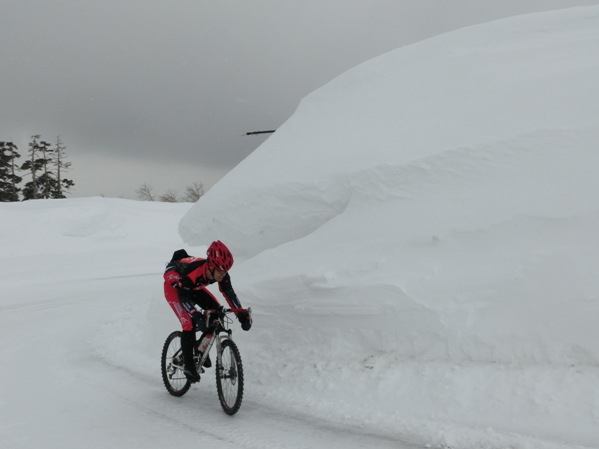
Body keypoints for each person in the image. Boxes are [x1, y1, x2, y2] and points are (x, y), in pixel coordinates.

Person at [163, 240, 252, 382]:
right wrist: (196, 314)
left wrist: (240, 313)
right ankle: (189, 366)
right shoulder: (192, 273)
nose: (223, 275)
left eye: (225, 271)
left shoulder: (219, 273)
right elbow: (184, 299)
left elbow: (229, 294)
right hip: (175, 289)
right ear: (211, 266)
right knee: (189, 324)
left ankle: (200, 348)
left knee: (217, 313)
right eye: (220, 271)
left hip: (193, 288)